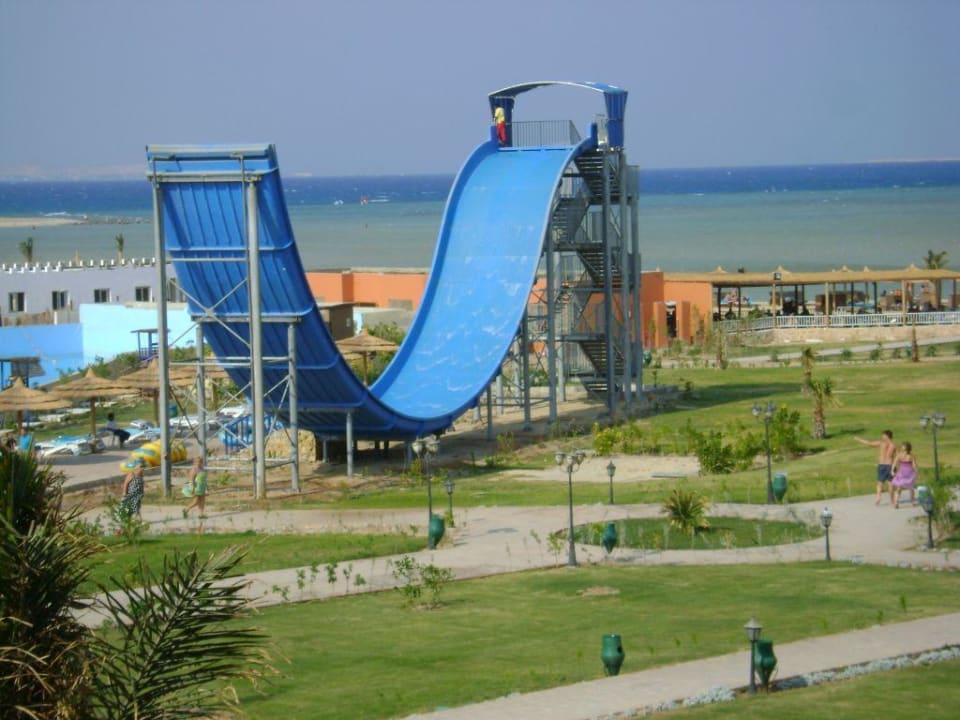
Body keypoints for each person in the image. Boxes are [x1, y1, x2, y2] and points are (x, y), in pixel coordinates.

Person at [854, 430, 897, 505]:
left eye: (883, 435)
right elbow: (898, 457)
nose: (882, 436)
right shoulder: (894, 445)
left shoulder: (881, 443)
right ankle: (891, 500)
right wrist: (895, 467)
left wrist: (858, 439)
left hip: (882, 465)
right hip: (890, 465)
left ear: (887, 436)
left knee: (880, 483)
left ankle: (878, 497)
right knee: (890, 483)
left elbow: (869, 443)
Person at [891, 441, 919, 508]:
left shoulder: (902, 455)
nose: (901, 447)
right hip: (907, 473)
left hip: (904, 473)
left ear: (905, 448)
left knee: (902, 488)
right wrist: (917, 473)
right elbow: (914, 466)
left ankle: (898, 502)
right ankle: (910, 502)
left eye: (902, 446)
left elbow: (894, 463)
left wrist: (892, 470)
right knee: (908, 488)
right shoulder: (909, 456)